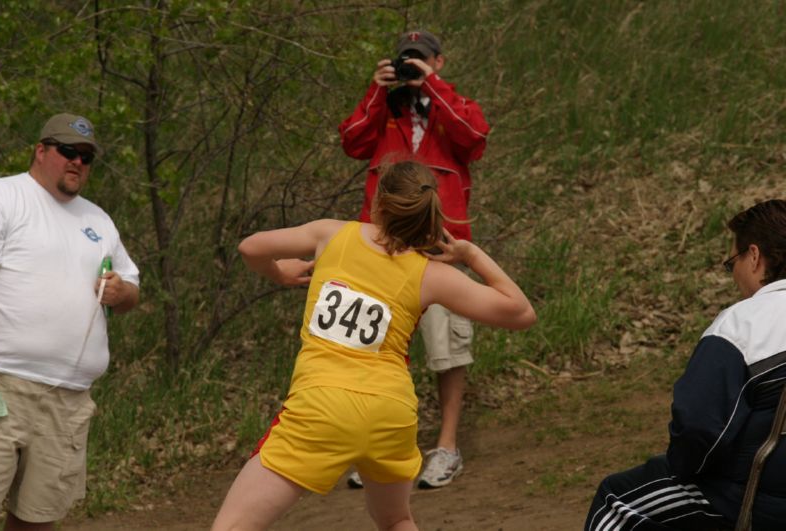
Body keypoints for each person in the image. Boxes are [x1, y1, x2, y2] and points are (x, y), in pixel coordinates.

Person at [212, 161, 535, 531]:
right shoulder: (432, 275)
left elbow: (251, 247)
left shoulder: (332, 234)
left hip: (321, 408)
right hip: (390, 414)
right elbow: (521, 311)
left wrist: (280, 271)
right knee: (396, 519)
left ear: (378, 204)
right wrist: (470, 254)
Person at [339, 29, 490, 489]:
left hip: (439, 251)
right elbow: (351, 141)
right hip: (382, 252)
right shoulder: (382, 110)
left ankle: (446, 447)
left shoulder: (455, 106)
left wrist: (432, 89)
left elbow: (474, 138)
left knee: (446, 349)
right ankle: (378, 448)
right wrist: (375, 92)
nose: (411, 68)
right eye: (405, 61)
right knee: (377, 350)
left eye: (419, 61)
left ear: (438, 62)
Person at [584, 199, 786, 531]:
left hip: (753, 499)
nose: (733, 273)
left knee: (615, 500)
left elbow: (698, 431)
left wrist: (685, 467)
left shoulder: (741, 326)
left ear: (753, 256)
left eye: (731, 261)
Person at [0, 113, 140, 531]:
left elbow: (132, 289)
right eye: (68, 151)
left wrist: (119, 292)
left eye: (86, 157)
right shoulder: (1, 197)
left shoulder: (98, 220)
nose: (77, 162)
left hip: (69, 399)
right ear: (41, 150)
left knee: (39, 518)